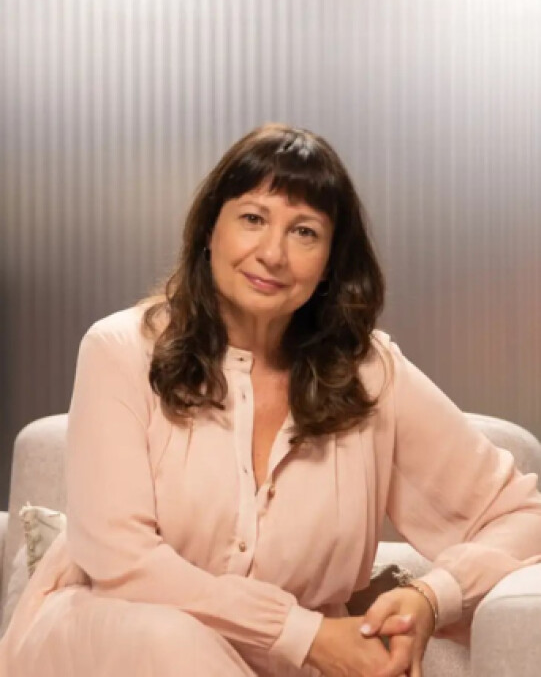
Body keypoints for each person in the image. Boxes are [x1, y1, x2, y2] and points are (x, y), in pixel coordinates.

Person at [2, 122, 541, 677]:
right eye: (253, 219)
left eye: (304, 232)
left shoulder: (370, 375)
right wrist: (303, 633)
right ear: (210, 230)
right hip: (105, 642)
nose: (272, 254)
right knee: (167, 637)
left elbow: (523, 517)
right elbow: (119, 559)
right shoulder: (118, 350)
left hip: (275, 668)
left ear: (330, 261)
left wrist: (431, 596)